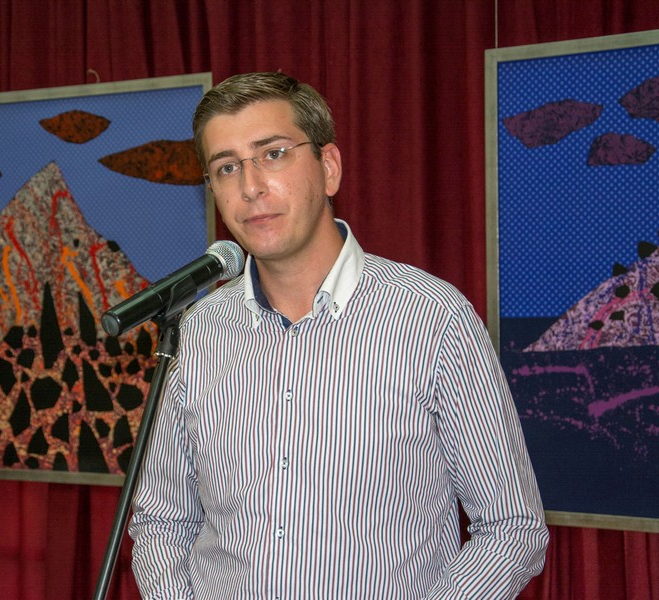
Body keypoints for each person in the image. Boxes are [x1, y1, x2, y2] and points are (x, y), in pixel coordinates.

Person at [128, 71, 549, 599]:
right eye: (227, 167)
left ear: (329, 167)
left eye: (273, 154)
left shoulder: (431, 318)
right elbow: (162, 520)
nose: (250, 186)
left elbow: (512, 527)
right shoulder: (197, 332)